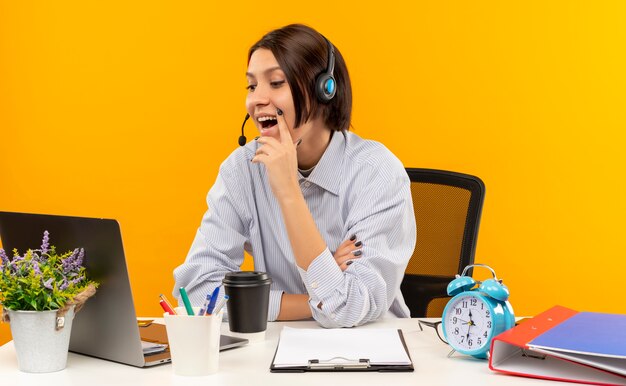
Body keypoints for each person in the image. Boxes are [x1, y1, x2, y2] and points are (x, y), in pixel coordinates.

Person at [173, 24, 416, 328]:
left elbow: (348, 307)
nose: (256, 100)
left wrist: (288, 190)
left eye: (276, 82)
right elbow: (197, 296)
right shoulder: (243, 169)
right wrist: (316, 294)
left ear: (324, 90)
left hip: (371, 352)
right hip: (276, 350)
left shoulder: (377, 173)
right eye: (251, 86)